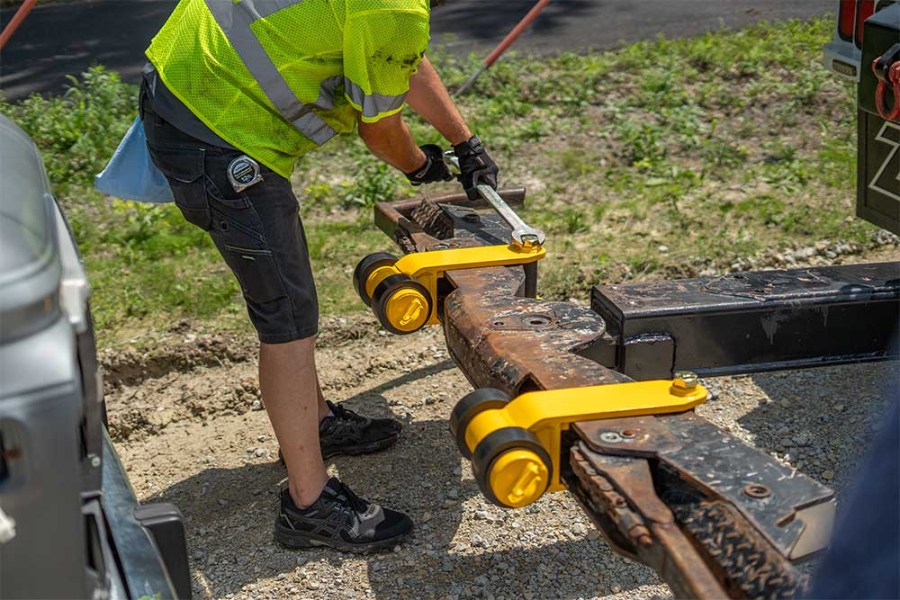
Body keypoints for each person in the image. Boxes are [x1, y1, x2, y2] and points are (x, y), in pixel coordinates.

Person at [139, 0, 498, 552]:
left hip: (186, 84)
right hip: (217, 130)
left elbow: (400, 58)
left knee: (289, 303)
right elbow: (381, 129)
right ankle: (308, 507)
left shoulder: (392, 13)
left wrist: (462, 139)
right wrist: (420, 166)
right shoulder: (395, 8)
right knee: (286, 319)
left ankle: (315, 422)